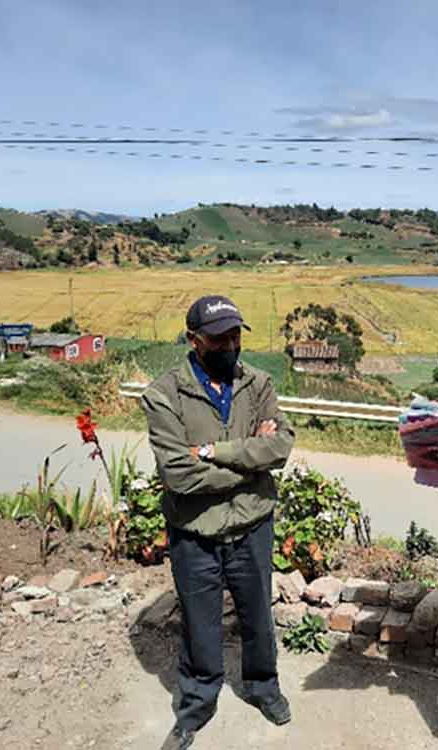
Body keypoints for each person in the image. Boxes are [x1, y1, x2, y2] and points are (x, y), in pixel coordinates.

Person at [142, 295, 295, 750]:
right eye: (218, 338)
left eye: (235, 335)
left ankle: (263, 686)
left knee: (257, 615)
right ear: (194, 340)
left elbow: (281, 447)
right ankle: (195, 703)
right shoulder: (164, 394)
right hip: (195, 530)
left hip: (252, 523)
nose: (230, 344)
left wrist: (215, 452)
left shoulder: (258, 383)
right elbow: (178, 475)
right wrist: (251, 460)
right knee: (199, 621)